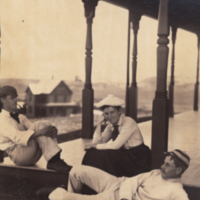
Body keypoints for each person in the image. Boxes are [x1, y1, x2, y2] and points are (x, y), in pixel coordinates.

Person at [47, 149, 190, 200]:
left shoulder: (177, 192)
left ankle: (59, 194)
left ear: (178, 170)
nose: (162, 166)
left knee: (61, 197)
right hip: (119, 184)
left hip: (115, 198)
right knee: (77, 170)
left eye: (167, 165)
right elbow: (132, 182)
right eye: (164, 162)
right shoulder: (156, 173)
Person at [0, 85, 72, 172]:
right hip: (19, 155)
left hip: (30, 153)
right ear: (2, 100)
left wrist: (50, 130)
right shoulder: (1, 119)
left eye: (16, 97)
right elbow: (17, 137)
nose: (15, 100)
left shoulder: (21, 117)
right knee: (39, 127)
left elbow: (36, 128)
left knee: (45, 124)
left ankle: (56, 160)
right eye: (12, 98)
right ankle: (54, 162)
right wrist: (41, 132)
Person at [82, 94, 152, 178]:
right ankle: (88, 182)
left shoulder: (128, 122)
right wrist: (99, 124)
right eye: (106, 114)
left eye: (112, 112)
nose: (110, 116)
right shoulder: (111, 125)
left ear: (119, 111)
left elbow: (115, 146)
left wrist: (95, 146)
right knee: (92, 152)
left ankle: (102, 181)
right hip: (125, 155)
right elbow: (98, 142)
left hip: (138, 158)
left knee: (102, 155)